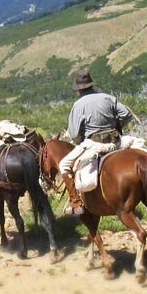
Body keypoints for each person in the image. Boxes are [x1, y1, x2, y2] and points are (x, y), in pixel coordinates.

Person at [59, 70, 132, 215]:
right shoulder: (108, 98)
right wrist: (117, 125)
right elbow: (127, 114)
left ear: (79, 89)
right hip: (117, 142)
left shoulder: (78, 105)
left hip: (94, 144)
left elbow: (74, 133)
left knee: (64, 164)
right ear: (91, 85)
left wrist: (80, 140)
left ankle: (76, 202)